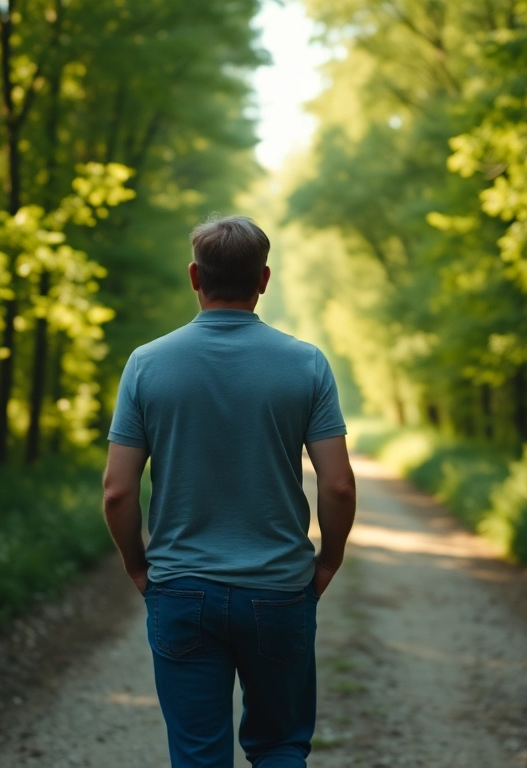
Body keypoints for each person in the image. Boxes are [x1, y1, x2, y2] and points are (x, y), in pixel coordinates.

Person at [102, 214, 357, 767]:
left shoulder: (146, 364)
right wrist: (329, 560)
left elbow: (117, 493)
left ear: (195, 277)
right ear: (263, 280)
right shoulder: (305, 363)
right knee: (281, 747)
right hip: (279, 589)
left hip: (181, 589)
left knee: (198, 756)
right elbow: (336, 483)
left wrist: (137, 567)